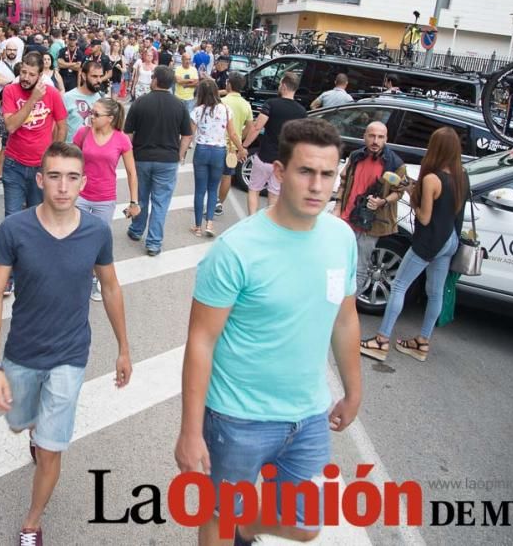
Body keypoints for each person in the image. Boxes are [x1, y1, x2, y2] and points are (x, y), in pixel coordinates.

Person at [175, 118, 362, 546]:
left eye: (327, 174)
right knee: (219, 519)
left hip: (308, 416)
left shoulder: (341, 238)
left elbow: (346, 318)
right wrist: (190, 430)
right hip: (236, 418)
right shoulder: (237, 250)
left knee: (305, 525)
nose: (317, 185)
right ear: (279, 173)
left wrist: (353, 390)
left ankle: (247, 528)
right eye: (305, 171)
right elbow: (201, 341)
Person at [0, 142, 133, 546]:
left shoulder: (97, 231)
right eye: (54, 176)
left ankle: (32, 522)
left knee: (51, 449)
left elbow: (111, 286)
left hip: (70, 355)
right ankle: (34, 431)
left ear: (83, 182)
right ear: (39, 179)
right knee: (23, 425)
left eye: (71, 177)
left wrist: (123, 348)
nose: (63, 187)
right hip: (21, 354)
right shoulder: (14, 229)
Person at [359, 127, 467, 363]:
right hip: (449, 240)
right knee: (434, 292)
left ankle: (381, 340)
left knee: (398, 286)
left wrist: (410, 195)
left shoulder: (431, 179)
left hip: (429, 242)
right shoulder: (461, 174)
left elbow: (424, 217)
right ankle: (422, 342)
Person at [1, 52, 68, 293]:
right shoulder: (10, 91)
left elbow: (62, 124)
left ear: (41, 75)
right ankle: (9, 274)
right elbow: (11, 125)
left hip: (41, 168)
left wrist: (56, 154)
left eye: (31, 74)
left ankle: (32, 270)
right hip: (14, 166)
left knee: (38, 220)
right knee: (11, 220)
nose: (26, 78)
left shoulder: (51, 94)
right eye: (23, 73)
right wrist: (32, 100)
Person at [73, 97, 139, 301]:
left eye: (96, 114)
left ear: (110, 118)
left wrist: (134, 202)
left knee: (98, 241)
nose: (91, 117)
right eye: (91, 112)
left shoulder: (121, 139)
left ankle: (94, 279)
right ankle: (75, 278)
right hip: (81, 195)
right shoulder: (83, 133)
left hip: (105, 199)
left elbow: (131, 172)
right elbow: (71, 160)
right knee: (75, 238)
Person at [333, 121, 407, 301]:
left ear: (386, 139)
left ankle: (347, 307)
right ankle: (332, 303)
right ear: (364, 136)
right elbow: (343, 183)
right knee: (337, 265)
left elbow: (399, 192)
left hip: (370, 224)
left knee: (360, 267)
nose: (375, 140)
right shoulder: (356, 156)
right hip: (346, 218)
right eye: (372, 136)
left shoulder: (395, 163)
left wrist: (382, 201)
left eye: (380, 137)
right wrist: (337, 207)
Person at [123, 66, 193, 256]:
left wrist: (128, 154)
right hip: (168, 160)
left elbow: (127, 133)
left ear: (154, 80)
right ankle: (154, 243)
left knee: (141, 197)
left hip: (141, 157)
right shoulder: (179, 105)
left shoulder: (140, 103)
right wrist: (179, 155)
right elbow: (187, 135)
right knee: (161, 202)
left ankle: (137, 230)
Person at [242, 72, 307, 214]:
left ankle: (252, 220)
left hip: (264, 156)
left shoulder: (271, 104)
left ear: (283, 86)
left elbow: (257, 127)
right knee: (274, 194)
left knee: (254, 189)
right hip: (283, 161)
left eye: (279, 84)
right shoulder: (301, 112)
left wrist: (244, 146)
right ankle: (270, 224)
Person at [189, 79, 245, 237]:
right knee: (213, 189)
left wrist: (182, 151)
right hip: (219, 152)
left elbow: (189, 134)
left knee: (200, 190)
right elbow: (233, 133)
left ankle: (197, 226)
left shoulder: (198, 110)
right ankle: (210, 224)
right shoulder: (226, 110)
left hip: (201, 150)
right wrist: (241, 149)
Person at [215, 72, 254, 216]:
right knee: (227, 175)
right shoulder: (246, 105)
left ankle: (211, 200)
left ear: (229, 85)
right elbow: (250, 126)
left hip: (217, 144)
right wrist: (239, 140)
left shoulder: (222, 102)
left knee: (213, 175)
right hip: (232, 148)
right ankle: (219, 203)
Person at [63, 60, 104, 142]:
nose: (99, 80)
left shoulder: (102, 98)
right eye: (94, 76)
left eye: (100, 76)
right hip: (71, 150)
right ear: (84, 76)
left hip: (93, 150)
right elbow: (59, 127)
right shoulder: (67, 97)